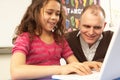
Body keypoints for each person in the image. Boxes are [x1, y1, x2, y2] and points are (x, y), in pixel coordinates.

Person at [10, 0, 97, 80]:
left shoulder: (59, 40)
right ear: (35, 12)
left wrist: (86, 65)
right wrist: (59, 69)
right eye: (49, 12)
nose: (54, 17)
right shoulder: (25, 38)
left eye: (57, 14)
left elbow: (74, 65)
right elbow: (16, 71)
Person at [66, 4, 113, 69]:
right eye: (87, 26)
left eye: (97, 27)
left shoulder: (112, 38)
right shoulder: (67, 39)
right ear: (79, 23)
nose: (91, 32)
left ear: (104, 26)